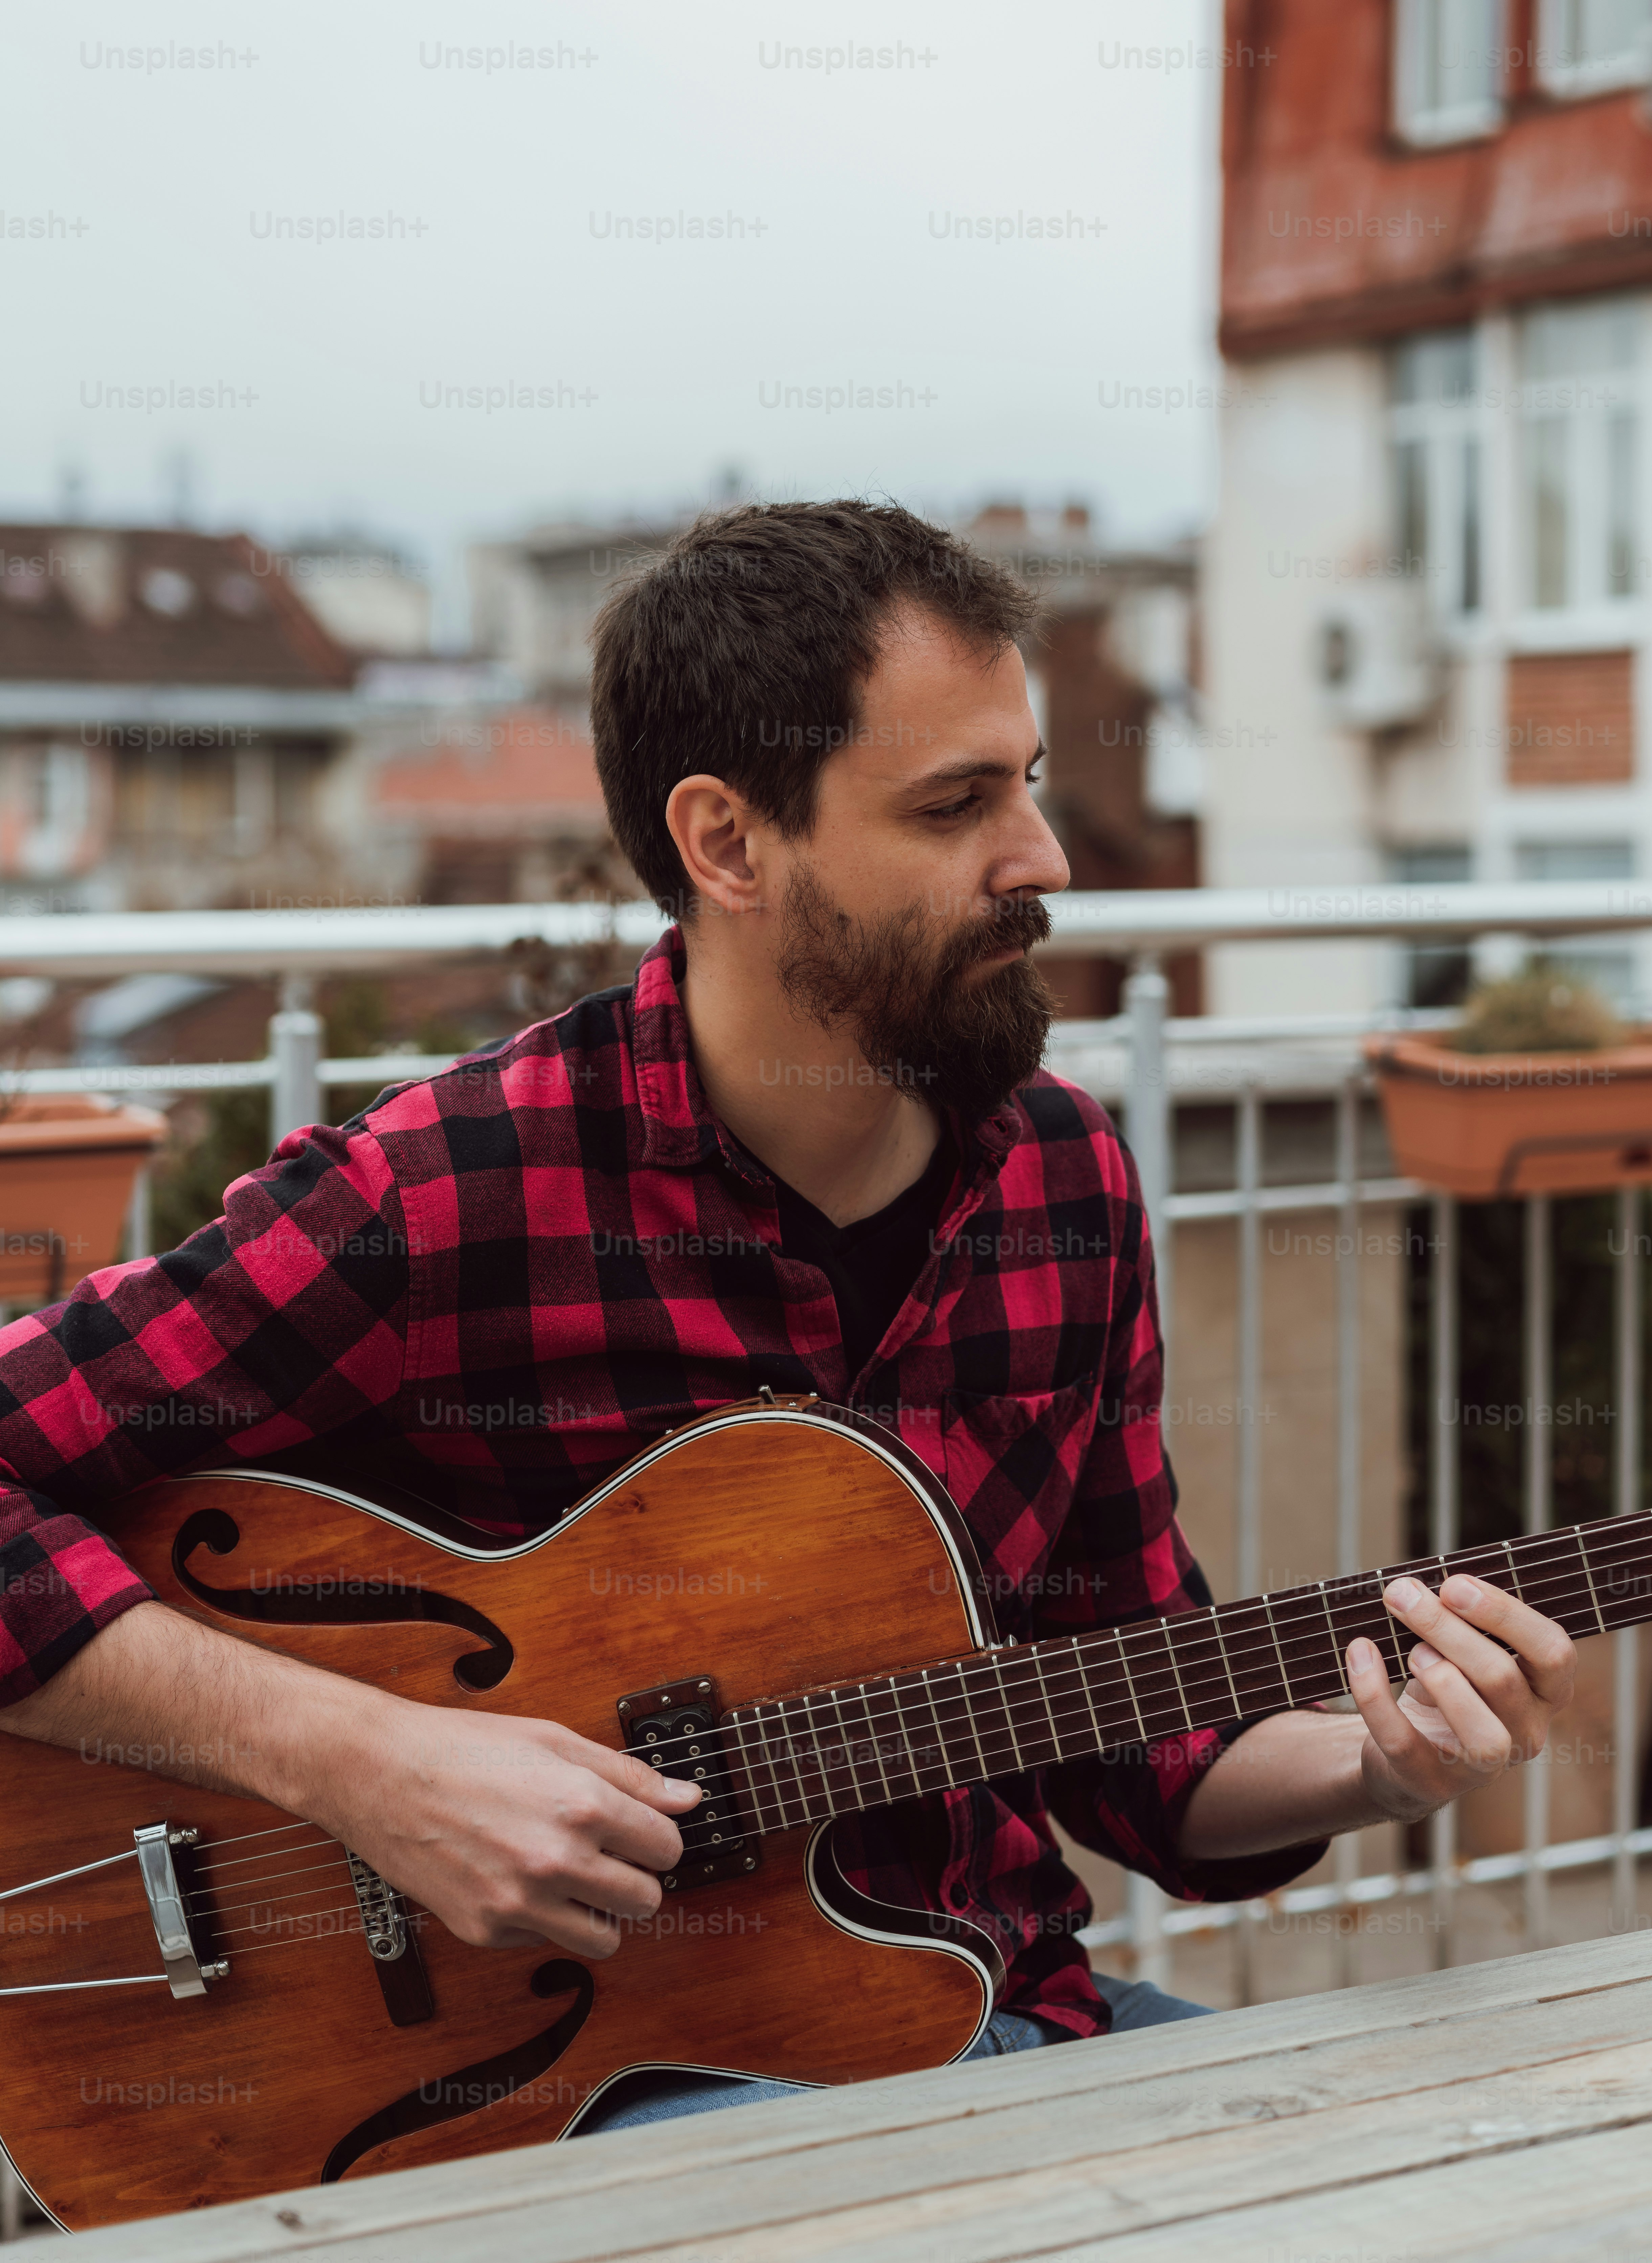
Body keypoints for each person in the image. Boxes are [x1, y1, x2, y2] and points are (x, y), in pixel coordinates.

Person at [0, 503, 1575, 2136]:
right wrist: (362, 1765)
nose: (1042, 857)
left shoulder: (1069, 1178)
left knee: (1459, 2156)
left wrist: (1388, 1763)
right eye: (957, 804)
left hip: (996, 2010)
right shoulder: (450, 1190)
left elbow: (1143, 1745)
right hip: (587, 2084)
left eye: (1026, 780)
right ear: (730, 846)